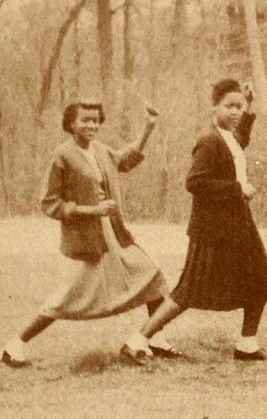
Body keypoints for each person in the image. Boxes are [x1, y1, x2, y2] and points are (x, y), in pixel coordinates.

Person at [2, 100, 180, 368]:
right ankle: (15, 344)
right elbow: (50, 203)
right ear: (70, 124)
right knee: (67, 298)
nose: (91, 125)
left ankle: (153, 339)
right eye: (85, 120)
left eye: (95, 120)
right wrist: (92, 210)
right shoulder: (62, 155)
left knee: (151, 274)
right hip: (87, 240)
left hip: (114, 234)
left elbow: (126, 159)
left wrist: (148, 128)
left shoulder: (100, 150)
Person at [124, 79, 267, 363]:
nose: (235, 112)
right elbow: (195, 182)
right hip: (213, 229)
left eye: (239, 107)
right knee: (189, 291)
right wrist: (237, 188)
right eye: (229, 106)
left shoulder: (230, 136)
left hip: (238, 223)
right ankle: (137, 340)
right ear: (214, 107)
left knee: (259, 281)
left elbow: (241, 139)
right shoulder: (209, 140)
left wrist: (250, 107)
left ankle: (247, 344)